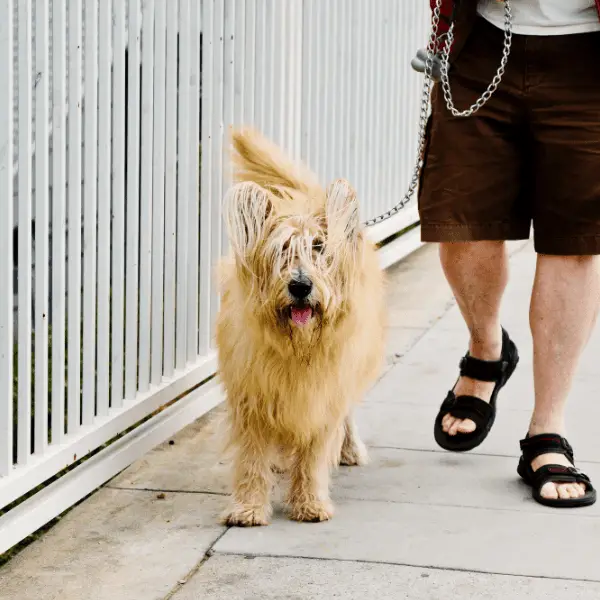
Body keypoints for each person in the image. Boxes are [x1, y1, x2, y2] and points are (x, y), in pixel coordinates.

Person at [418, 0, 600, 508]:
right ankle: (487, 350)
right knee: (462, 222)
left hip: (588, 53)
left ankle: (547, 432)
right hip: (483, 40)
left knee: (575, 241)